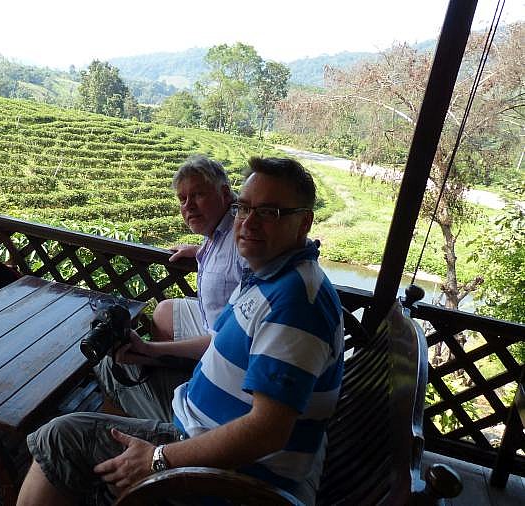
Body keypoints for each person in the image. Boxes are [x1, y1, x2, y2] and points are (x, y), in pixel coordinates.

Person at [17, 157, 344, 506]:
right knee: (119, 365)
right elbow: (221, 344)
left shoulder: (296, 303)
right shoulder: (268, 274)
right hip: (197, 416)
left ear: (303, 222)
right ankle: (113, 475)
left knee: (59, 438)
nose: (248, 222)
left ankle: (120, 482)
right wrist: (150, 351)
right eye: (244, 208)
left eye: (268, 212)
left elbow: (267, 433)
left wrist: (157, 458)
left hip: (231, 476)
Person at [151, 154, 246, 342]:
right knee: (163, 312)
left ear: (225, 193)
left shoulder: (243, 238)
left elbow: (240, 338)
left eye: (198, 195)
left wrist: (149, 350)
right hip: (211, 322)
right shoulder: (218, 227)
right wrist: (199, 250)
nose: (189, 206)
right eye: (182, 199)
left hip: (227, 340)